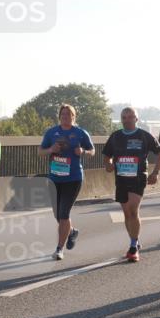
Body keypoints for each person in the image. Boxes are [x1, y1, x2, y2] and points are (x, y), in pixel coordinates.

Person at [102, 107, 160, 262]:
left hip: (138, 178)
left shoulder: (144, 135)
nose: (127, 119)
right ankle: (134, 239)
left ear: (136, 119)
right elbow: (107, 155)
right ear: (121, 119)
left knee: (133, 210)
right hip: (121, 179)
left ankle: (133, 246)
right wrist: (108, 164)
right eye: (124, 117)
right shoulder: (116, 136)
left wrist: (155, 172)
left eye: (131, 117)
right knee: (127, 213)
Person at [40, 103, 95, 260]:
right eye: (62, 114)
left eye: (68, 114)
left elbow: (93, 151)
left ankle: (59, 249)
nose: (65, 116)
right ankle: (71, 231)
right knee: (57, 214)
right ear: (59, 116)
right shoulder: (51, 132)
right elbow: (40, 151)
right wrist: (51, 150)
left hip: (73, 178)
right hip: (55, 178)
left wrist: (83, 151)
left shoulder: (80, 133)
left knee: (64, 214)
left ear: (73, 116)